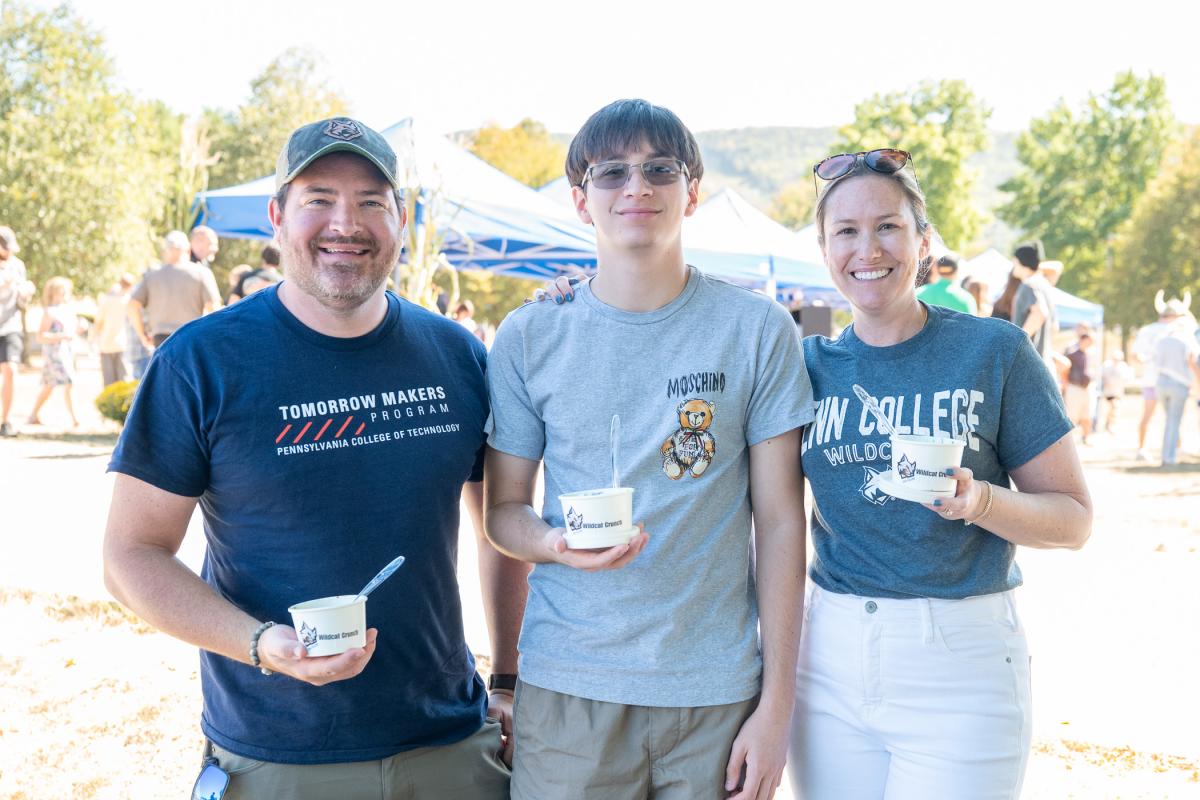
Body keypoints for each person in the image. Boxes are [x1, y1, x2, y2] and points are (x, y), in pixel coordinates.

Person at [103, 116, 526, 798]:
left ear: (400, 220)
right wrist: (261, 643)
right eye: (319, 199)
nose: (345, 223)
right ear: (277, 217)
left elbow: (501, 529)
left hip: (451, 747)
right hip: (278, 758)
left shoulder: (457, 356)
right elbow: (130, 556)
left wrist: (508, 678)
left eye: (370, 202)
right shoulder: (201, 361)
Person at [485, 99, 811, 800]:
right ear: (580, 201)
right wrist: (552, 544)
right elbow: (502, 512)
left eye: (660, 170)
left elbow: (782, 522)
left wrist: (776, 704)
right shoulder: (530, 335)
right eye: (612, 174)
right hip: (569, 686)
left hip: (716, 692)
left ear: (691, 193)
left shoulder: (757, 330)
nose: (637, 188)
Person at [793, 148, 1092, 799]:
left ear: (923, 241)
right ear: (824, 249)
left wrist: (979, 500)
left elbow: (1073, 520)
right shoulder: (803, 365)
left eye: (888, 226)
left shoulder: (993, 350)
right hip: (830, 658)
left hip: (963, 661)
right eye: (845, 230)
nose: (867, 248)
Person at [127, 231, 221, 348]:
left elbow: (132, 305)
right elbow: (213, 308)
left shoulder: (152, 275)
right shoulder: (202, 273)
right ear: (188, 250)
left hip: (160, 339)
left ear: (166, 251)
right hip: (190, 337)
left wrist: (142, 335)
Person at [1131, 293, 1183, 460]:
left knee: (1147, 415)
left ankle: (1141, 449)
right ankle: (1175, 449)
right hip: (1172, 379)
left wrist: (1148, 362)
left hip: (1150, 379)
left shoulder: (1147, 330)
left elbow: (1135, 355)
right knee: (1173, 416)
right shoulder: (1178, 330)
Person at [28, 276, 83, 427]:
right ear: (54, 292)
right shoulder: (50, 312)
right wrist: (61, 336)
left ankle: (33, 415)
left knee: (49, 385)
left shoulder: (67, 310)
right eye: (62, 290)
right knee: (69, 382)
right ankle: (75, 419)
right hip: (55, 353)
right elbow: (40, 336)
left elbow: (72, 332)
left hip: (67, 351)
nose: (66, 293)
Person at [1151, 299, 1200, 466]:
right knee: (1174, 421)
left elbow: (1155, 362)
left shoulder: (1161, 340)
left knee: (1168, 420)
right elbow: (1192, 362)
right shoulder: (1187, 340)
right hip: (1179, 385)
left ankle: (1167, 454)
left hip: (1161, 383)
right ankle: (1169, 457)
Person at [0, 225, 35, 437]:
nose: (10, 253)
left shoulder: (17, 266)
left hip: (10, 326)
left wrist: (26, 293)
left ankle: (5, 421)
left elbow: (21, 302)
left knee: (11, 371)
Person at [1010, 245, 1058, 368]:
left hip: (1029, 364)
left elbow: (1039, 313)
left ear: (1020, 261)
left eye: (1014, 260)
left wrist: (1017, 343)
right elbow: (1054, 327)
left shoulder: (1029, 284)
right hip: (1044, 362)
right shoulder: (1045, 285)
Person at [93, 273, 134, 386]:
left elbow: (98, 322)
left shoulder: (106, 300)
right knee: (123, 381)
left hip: (106, 344)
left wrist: (94, 339)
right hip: (123, 344)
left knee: (108, 382)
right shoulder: (128, 301)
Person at [1063, 331, 1095, 444]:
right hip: (1074, 387)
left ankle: (1086, 437)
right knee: (1072, 416)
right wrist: (1065, 384)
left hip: (1086, 388)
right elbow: (1064, 370)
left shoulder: (1090, 355)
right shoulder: (1072, 354)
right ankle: (1068, 442)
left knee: (1087, 415)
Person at [1097, 350, 1133, 434]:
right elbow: (1101, 377)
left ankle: (1108, 424)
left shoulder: (1123, 366)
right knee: (1113, 407)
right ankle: (1109, 425)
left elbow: (1127, 378)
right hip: (1108, 392)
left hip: (1118, 391)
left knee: (1112, 409)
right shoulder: (1106, 365)